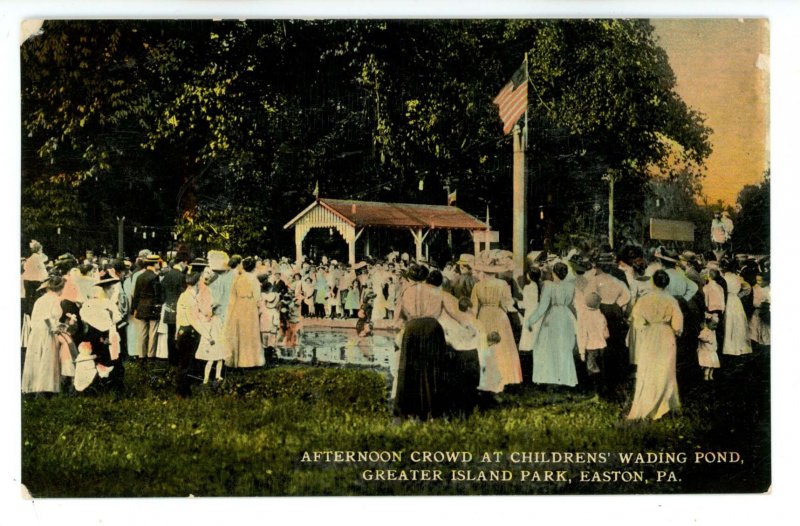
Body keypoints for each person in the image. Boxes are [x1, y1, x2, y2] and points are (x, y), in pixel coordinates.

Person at [392, 264, 468, 420]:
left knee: (411, 368)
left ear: (411, 278)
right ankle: (434, 408)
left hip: (412, 329)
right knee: (434, 367)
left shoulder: (406, 292)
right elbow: (453, 312)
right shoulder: (436, 291)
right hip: (432, 328)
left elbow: (397, 318)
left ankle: (412, 410)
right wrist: (467, 326)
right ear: (426, 277)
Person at [627, 270, 683, 421]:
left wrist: (644, 328)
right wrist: (676, 330)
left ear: (652, 282)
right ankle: (663, 404)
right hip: (666, 334)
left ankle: (653, 404)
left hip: (650, 334)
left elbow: (637, 320)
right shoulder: (671, 300)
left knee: (649, 368)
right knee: (665, 369)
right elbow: (677, 325)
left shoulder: (645, 299)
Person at [471, 258, 523, 391]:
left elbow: (474, 308)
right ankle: (505, 377)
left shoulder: (478, 285)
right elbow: (508, 303)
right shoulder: (503, 284)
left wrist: (473, 323)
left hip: (484, 315)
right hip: (499, 315)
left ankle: (487, 378)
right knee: (502, 346)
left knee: (486, 346)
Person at [526, 262, 578, 388]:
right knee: (564, 346)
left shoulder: (549, 286)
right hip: (566, 315)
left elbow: (542, 307)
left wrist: (530, 320)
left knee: (545, 346)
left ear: (553, 272)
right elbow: (572, 304)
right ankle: (564, 377)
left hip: (553, 315)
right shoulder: (571, 286)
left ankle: (549, 377)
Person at [22, 275, 66, 394]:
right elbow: (48, 318)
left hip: (37, 331)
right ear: (60, 288)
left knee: (37, 357)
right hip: (46, 331)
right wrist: (57, 328)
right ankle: (45, 386)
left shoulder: (41, 299)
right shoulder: (54, 299)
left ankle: (34, 385)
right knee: (46, 357)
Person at [226, 256, 265, 369]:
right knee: (250, 332)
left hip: (238, 305)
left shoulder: (238, 278)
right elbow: (257, 297)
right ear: (253, 267)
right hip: (249, 305)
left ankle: (239, 360)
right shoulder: (253, 279)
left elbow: (232, 295)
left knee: (240, 332)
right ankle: (250, 361)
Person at [129, 254, 163, 359]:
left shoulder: (139, 276)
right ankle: (150, 355)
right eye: (158, 263)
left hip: (141, 307)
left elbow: (136, 294)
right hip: (152, 307)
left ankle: (141, 356)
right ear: (155, 263)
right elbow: (157, 294)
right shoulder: (155, 276)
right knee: (152, 333)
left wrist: (133, 309)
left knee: (142, 333)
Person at [578, 291, 609, 395]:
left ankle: (596, 390)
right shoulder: (601, 316)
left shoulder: (584, 317)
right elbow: (606, 334)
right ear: (598, 304)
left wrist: (582, 352)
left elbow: (582, 336)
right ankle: (603, 387)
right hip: (602, 346)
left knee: (592, 368)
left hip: (591, 346)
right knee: (602, 366)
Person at [720, 259, 752, 357]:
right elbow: (748, 288)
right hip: (736, 300)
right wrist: (739, 295)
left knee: (729, 322)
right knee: (738, 322)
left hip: (727, 299)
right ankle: (740, 346)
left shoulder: (724, 277)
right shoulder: (738, 278)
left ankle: (728, 347)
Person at [749, 271, 770, 350]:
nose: (758, 282)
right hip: (757, 312)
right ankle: (757, 347)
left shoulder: (769, 289)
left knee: (765, 331)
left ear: (767, 281)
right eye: (757, 280)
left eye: (760, 281)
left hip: (765, 313)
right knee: (754, 330)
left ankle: (766, 348)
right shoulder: (755, 288)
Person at [697, 314, 721, 381]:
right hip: (706, 351)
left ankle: (711, 374)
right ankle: (706, 375)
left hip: (712, 350)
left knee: (713, 365)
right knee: (708, 364)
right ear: (707, 323)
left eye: (716, 325)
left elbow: (714, 339)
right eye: (713, 325)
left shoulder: (713, 331)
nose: (715, 327)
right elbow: (701, 337)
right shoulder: (705, 330)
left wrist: (716, 344)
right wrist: (708, 340)